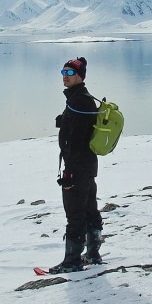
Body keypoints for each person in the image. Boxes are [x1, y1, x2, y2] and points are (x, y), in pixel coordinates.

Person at [48, 57, 104, 273]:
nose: (65, 75)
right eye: (63, 71)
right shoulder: (79, 99)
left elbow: (78, 140)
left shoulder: (79, 100)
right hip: (87, 167)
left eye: (71, 73)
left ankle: (72, 261)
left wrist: (69, 172)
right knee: (89, 209)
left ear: (80, 76)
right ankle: (93, 254)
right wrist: (64, 121)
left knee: (75, 213)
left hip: (78, 168)